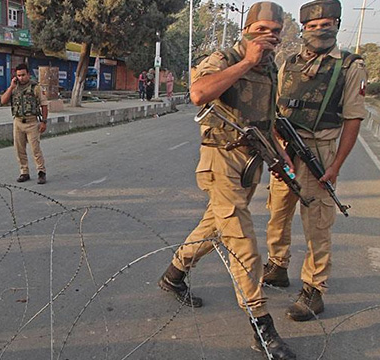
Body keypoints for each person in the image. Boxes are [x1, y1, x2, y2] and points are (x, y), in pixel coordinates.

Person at [157, 3, 296, 359]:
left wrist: (280, 155)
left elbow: (268, 117)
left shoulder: (270, 69)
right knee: (242, 242)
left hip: (250, 163)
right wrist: (246, 62)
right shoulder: (224, 58)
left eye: (276, 31)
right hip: (220, 161)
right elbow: (198, 94)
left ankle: (174, 274)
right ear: (247, 29)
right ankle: (261, 327)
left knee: (216, 226)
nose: (270, 37)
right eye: (263, 29)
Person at [264, 0, 367, 322]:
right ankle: (277, 265)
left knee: (317, 223)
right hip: (285, 152)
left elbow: (353, 118)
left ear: (337, 24)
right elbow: (276, 109)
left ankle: (314, 288)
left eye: (327, 23)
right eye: (312, 25)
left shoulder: (350, 66)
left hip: (319, 151)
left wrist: (335, 166)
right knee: (277, 212)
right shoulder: (289, 63)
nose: (320, 29)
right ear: (304, 28)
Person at [0, 63, 49, 185]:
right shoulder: (14, 87)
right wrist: (11, 87)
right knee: (19, 150)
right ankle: (24, 172)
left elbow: (44, 105)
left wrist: (44, 121)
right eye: (18, 75)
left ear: (28, 74)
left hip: (32, 122)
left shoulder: (35, 88)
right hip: (18, 122)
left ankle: (41, 172)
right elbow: (3, 100)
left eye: (23, 75)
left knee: (35, 149)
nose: (21, 78)